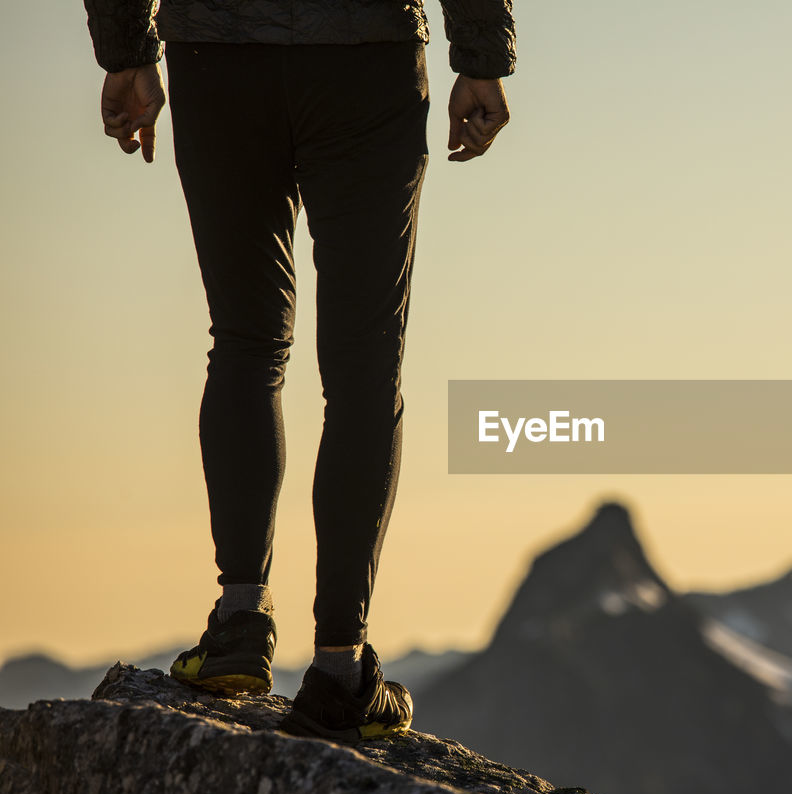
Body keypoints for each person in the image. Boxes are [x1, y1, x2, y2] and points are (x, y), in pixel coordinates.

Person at [82, 0, 515, 743]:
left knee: (247, 339)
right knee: (364, 368)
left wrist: (127, 51)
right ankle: (341, 671)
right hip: (365, 57)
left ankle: (239, 623)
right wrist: (480, 58)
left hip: (215, 57)